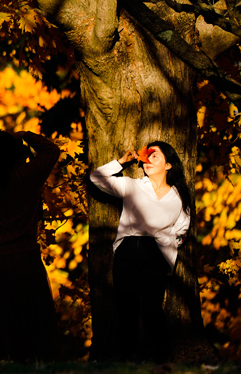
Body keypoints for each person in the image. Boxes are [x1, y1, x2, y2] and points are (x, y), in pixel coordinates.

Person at [89, 141, 192, 362]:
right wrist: (121, 162)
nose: (148, 160)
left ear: (169, 165)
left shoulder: (179, 195)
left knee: (152, 306)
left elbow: (182, 228)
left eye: (155, 156)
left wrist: (167, 244)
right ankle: (130, 357)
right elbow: (96, 177)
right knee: (127, 305)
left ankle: (164, 357)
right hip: (128, 249)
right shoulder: (133, 186)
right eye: (146, 157)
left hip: (157, 253)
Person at [0, 130, 60, 361]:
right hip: (24, 257)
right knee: (34, 318)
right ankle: (39, 361)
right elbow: (51, 151)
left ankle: (5, 362)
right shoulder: (24, 177)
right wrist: (25, 135)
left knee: (1, 322)